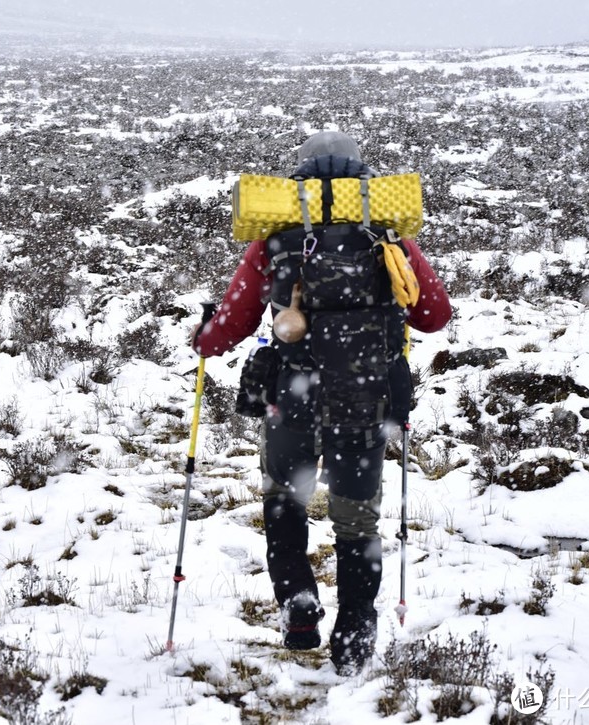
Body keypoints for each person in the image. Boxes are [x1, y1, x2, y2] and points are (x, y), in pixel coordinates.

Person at [192, 130, 452, 674]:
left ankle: (299, 608)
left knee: (285, 504)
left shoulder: (276, 238)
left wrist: (204, 339)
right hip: (365, 398)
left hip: (294, 397)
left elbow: (235, 322)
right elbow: (434, 314)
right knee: (357, 522)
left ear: (299, 184)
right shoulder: (389, 238)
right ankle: (356, 632)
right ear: (363, 183)